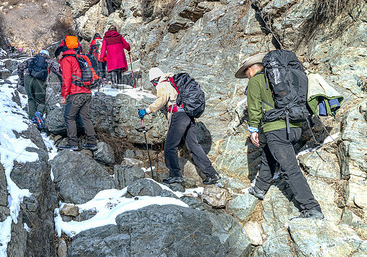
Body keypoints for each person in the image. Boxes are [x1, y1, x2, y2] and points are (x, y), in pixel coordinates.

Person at [235, 53, 324, 219]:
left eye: (246, 73)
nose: (246, 76)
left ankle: (311, 208)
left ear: (250, 69)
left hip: (276, 129)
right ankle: (260, 187)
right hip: (296, 127)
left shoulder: (256, 81)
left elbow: (254, 109)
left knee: (290, 169)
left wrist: (253, 129)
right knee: (270, 152)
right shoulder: (285, 77)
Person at [138, 67, 220, 185]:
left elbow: (161, 100)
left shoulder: (163, 83)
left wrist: (146, 110)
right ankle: (212, 174)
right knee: (193, 146)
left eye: (152, 82)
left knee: (170, 146)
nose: (153, 85)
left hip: (178, 116)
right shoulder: (172, 80)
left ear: (155, 79)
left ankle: (175, 175)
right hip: (188, 115)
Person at [55, 46, 97, 151]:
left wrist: (63, 95)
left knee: (69, 117)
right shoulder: (79, 58)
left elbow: (67, 78)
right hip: (87, 92)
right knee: (85, 117)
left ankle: (72, 143)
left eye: (57, 57)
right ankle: (92, 142)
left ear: (61, 53)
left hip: (76, 93)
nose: (58, 60)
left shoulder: (66, 59)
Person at [17, 50, 62, 128]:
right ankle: (39, 113)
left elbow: (20, 67)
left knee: (31, 99)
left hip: (27, 78)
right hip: (39, 81)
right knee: (41, 101)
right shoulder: (49, 61)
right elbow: (58, 71)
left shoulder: (32, 59)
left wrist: (22, 80)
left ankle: (33, 118)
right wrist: (63, 83)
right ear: (47, 55)